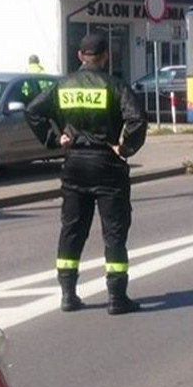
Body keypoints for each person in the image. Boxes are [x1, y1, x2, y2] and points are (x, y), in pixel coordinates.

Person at [25, 32, 147, 315]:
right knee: (114, 233)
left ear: (80, 56)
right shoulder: (114, 86)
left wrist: (54, 139)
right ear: (105, 56)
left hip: (75, 165)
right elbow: (137, 119)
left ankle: (68, 295)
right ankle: (117, 299)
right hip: (107, 165)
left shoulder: (63, 86)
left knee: (72, 230)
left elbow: (33, 111)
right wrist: (125, 147)